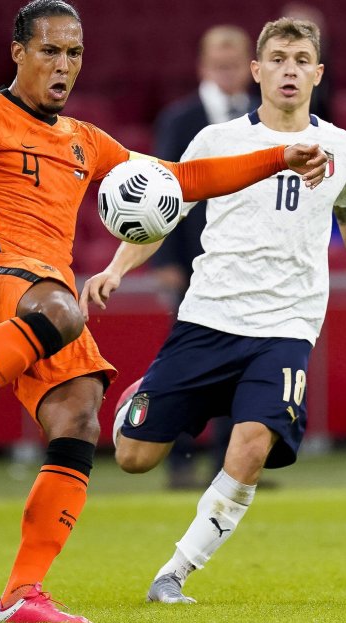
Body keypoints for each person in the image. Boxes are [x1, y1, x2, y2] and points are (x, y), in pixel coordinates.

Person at [0, 0, 327, 623]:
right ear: (18, 53)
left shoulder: (84, 140)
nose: (63, 65)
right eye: (50, 50)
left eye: (74, 53)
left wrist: (278, 156)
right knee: (64, 308)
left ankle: (20, 594)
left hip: (41, 297)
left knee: (78, 415)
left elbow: (181, 179)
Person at [79, 17, 346, 605]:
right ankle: (144, 399)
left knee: (251, 445)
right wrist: (115, 269)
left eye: (301, 59)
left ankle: (174, 574)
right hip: (209, 316)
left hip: (286, 326)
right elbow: (164, 211)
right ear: (256, 72)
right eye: (278, 58)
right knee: (132, 457)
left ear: (317, 73)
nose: (289, 69)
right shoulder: (216, 141)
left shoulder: (343, 148)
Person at [151, 24, 258, 489]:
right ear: (203, 67)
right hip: (193, 264)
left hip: (250, 264)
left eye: (235, 64)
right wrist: (166, 261)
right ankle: (178, 463)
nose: (227, 72)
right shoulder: (180, 119)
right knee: (187, 367)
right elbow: (160, 192)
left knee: (244, 368)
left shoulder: (265, 117)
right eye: (220, 65)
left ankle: (228, 469)